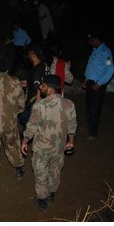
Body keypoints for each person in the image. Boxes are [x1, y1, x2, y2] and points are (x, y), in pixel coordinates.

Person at [21, 74, 77, 211]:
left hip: (42, 148)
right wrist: (70, 143)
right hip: (59, 147)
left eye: (43, 85)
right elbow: (72, 126)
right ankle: (52, 193)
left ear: (50, 88)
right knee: (55, 170)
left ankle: (42, 200)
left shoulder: (40, 106)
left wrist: (24, 141)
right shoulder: (69, 104)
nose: (41, 87)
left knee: (40, 172)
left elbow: (32, 127)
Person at [82, 33, 114, 141]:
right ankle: (90, 127)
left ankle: (93, 132)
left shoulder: (105, 52)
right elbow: (92, 68)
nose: (89, 43)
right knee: (89, 107)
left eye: (91, 40)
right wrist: (86, 80)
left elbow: (110, 70)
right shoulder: (95, 51)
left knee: (95, 109)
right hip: (91, 82)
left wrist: (99, 83)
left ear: (96, 40)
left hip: (98, 85)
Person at [18, 45, 50, 125]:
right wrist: (28, 82)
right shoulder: (43, 65)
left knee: (31, 126)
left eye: (29, 53)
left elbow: (39, 85)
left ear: (33, 54)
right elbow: (41, 80)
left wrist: (36, 103)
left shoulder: (38, 68)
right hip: (40, 100)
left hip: (35, 101)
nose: (28, 56)